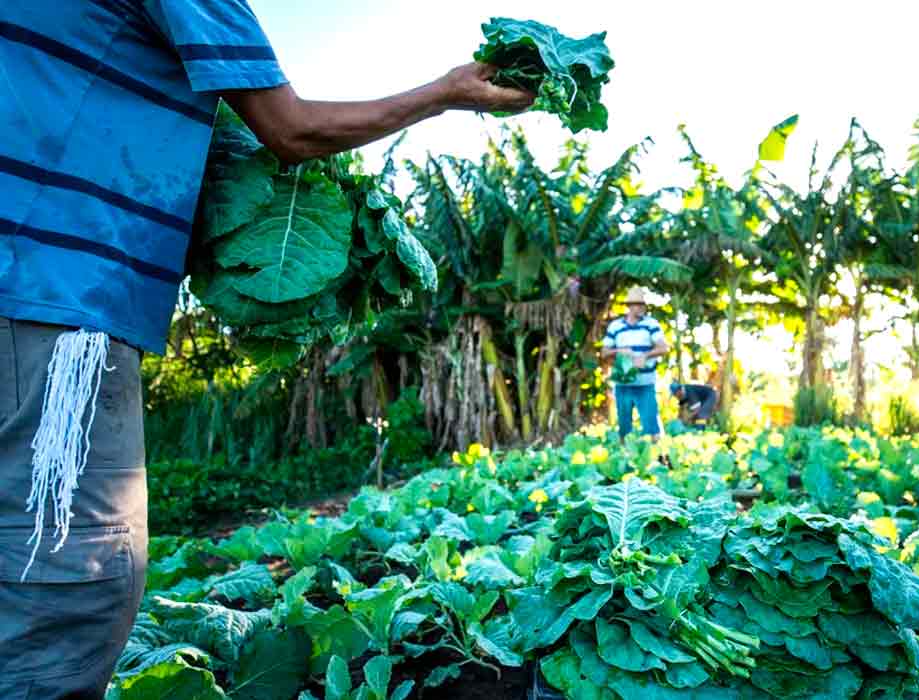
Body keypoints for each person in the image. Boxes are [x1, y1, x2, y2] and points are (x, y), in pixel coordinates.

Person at [0, 2, 532, 696]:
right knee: (73, 585)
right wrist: (448, 92)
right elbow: (292, 129)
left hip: (28, 287)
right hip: (57, 298)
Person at [600, 287, 670, 439]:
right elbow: (604, 352)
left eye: (643, 305)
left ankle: (656, 458)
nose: (641, 308)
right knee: (624, 430)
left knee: (652, 429)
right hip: (623, 384)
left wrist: (645, 355)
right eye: (638, 304)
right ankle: (625, 459)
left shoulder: (651, 324)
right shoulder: (616, 326)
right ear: (630, 306)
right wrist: (619, 351)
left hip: (645, 384)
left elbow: (664, 348)